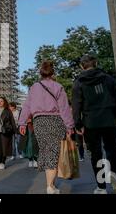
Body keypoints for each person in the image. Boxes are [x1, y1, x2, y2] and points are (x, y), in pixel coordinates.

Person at [18, 61, 75, 194]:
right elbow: (64, 108)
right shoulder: (58, 87)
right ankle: (50, 186)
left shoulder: (34, 87)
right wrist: (70, 126)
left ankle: (52, 185)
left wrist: (22, 122)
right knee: (53, 153)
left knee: (47, 150)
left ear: (41, 73)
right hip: (55, 121)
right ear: (53, 73)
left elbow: (27, 105)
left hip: (38, 121)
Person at [72, 54, 116, 195]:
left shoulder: (79, 82)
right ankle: (113, 174)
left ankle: (101, 187)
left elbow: (76, 105)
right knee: (111, 149)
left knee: (95, 154)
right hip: (108, 119)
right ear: (95, 63)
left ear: (82, 66)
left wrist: (78, 124)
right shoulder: (108, 79)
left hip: (90, 121)